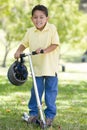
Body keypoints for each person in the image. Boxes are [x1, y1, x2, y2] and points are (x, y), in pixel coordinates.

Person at [14, 4, 60, 127]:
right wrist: (19, 51)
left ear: (47, 18)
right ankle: (34, 114)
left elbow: (55, 44)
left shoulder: (52, 29)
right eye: (35, 17)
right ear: (31, 19)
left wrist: (44, 50)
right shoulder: (30, 31)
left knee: (50, 93)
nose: (38, 20)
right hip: (36, 69)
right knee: (36, 92)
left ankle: (49, 116)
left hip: (50, 68)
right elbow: (24, 43)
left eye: (41, 17)